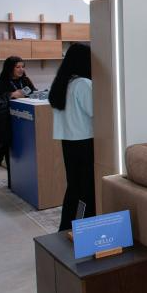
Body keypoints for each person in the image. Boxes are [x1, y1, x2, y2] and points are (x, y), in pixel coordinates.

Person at [48, 43, 96, 231]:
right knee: (87, 189)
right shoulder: (83, 84)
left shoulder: (63, 83)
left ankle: (66, 227)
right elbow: (94, 111)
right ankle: (83, 230)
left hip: (68, 142)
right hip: (85, 141)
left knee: (74, 187)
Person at [0, 56, 36, 168]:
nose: (21, 69)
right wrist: (11, 95)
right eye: (17, 67)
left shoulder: (26, 80)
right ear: (10, 68)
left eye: (22, 67)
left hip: (25, 119)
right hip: (8, 121)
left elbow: (33, 93)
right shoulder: (2, 82)